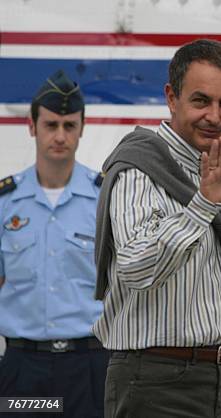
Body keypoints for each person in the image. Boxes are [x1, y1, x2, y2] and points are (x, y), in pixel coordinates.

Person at [93, 39, 221, 418]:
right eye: (201, 101)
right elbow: (136, 268)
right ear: (172, 97)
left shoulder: (220, 173)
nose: (215, 116)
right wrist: (202, 204)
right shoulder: (139, 166)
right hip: (154, 382)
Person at [0, 70, 108, 417]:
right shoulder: (6, 202)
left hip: (88, 367)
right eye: (50, 125)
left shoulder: (103, 199)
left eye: (69, 125)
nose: (60, 136)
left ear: (81, 129)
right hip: (22, 370)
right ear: (32, 127)